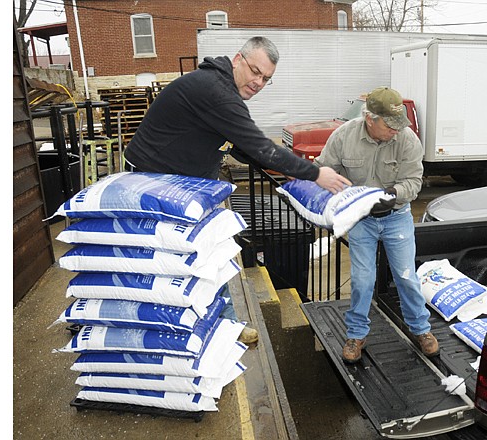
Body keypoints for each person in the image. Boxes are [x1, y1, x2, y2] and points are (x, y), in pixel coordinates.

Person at [124, 36, 351, 345]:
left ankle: (225, 322)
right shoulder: (216, 91)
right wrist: (314, 173)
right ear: (237, 60)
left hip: (191, 184)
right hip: (156, 182)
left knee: (217, 251)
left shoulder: (221, 91)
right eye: (255, 71)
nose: (258, 82)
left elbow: (243, 147)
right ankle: (142, 321)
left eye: (266, 78)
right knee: (171, 260)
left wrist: (286, 177)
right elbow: (258, 147)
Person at [313, 86, 439, 362]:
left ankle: (421, 329)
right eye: (390, 125)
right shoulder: (344, 136)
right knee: (362, 279)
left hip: (397, 218)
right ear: (370, 118)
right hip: (361, 221)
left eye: (399, 124)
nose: (396, 130)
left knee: (406, 276)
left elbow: (414, 182)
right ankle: (356, 334)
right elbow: (324, 170)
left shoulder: (407, 140)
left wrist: (394, 195)